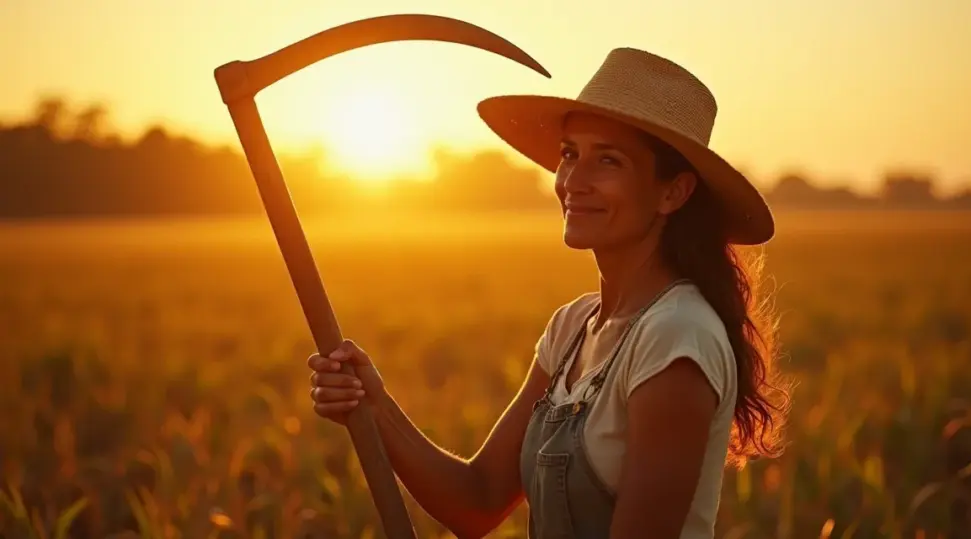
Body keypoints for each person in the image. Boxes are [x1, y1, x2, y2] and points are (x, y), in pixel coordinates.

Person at [306, 47, 790, 538]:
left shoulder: (676, 337)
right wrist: (374, 407)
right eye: (569, 154)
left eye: (608, 160)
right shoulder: (573, 328)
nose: (573, 181)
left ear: (673, 193)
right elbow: (477, 501)